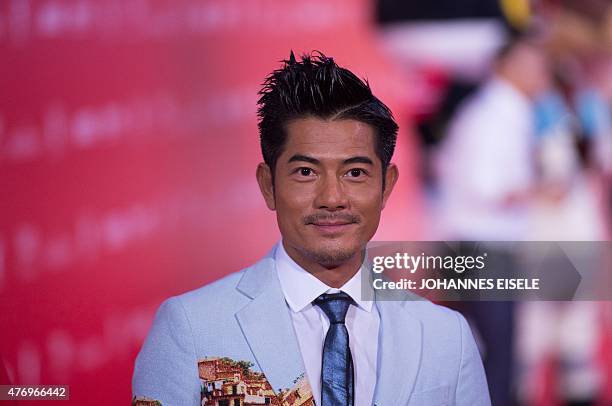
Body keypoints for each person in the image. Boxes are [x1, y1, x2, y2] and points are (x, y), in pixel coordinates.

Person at [132, 51, 490, 406]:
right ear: (268, 185)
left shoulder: (447, 336)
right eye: (306, 172)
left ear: (387, 186)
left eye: (355, 173)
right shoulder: (192, 326)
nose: (332, 198)